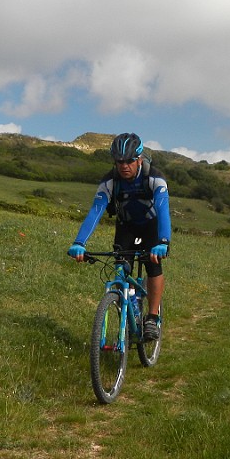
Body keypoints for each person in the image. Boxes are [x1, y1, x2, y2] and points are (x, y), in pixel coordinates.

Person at [68, 132, 171, 340]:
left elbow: (163, 211)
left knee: (153, 265)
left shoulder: (154, 178)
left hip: (151, 227)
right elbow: (95, 211)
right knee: (121, 269)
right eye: (119, 161)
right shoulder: (110, 181)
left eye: (130, 161)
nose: (124, 166)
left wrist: (163, 242)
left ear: (139, 159)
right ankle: (130, 302)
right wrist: (79, 243)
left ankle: (152, 318)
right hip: (126, 227)